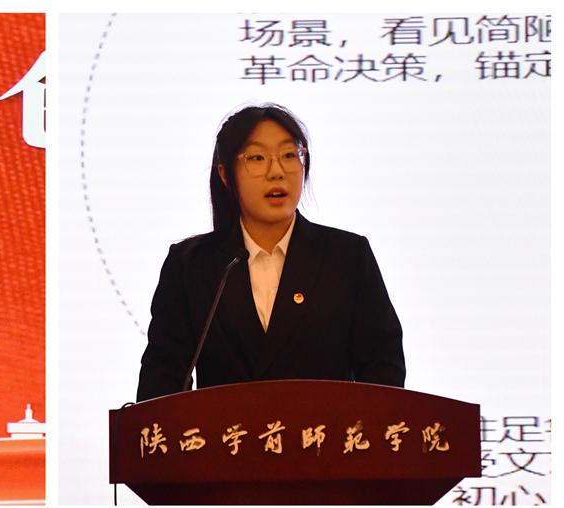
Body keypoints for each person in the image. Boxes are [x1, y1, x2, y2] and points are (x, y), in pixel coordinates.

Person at [137, 104, 405, 401]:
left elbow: (384, 371)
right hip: (227, 431)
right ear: (225, 175)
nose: (276, 172)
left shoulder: (347, 257)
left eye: (289, 155)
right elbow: (161, 381)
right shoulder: (191, 265)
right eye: (257, 158)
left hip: (324, 431)